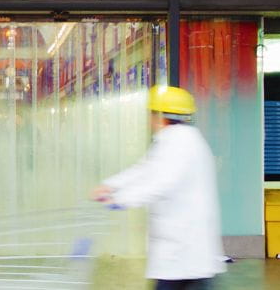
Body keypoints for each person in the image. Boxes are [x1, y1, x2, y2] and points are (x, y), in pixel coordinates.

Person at [91, 85, 225, 290]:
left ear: (161, 115)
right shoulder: (177, 140)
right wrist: (110, 186)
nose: (149, 119)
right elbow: (145, 169)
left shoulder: (179, 143)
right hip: (181, 249)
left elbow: (161, 183)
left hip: (184, 247)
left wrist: (120, 199)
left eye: (151, 113)